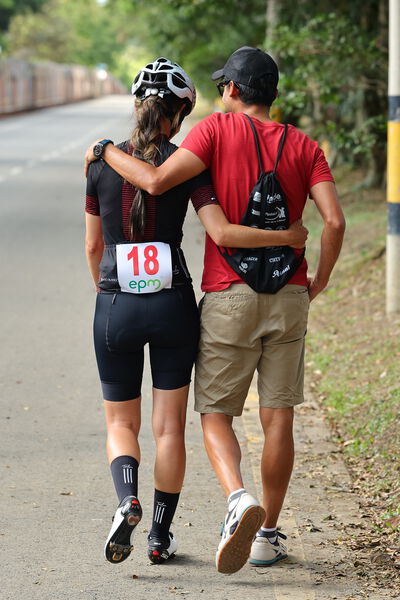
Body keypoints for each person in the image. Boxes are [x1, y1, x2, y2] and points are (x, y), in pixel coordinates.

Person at [85, 46, 343, 575]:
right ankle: (234, 534)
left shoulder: (208, 136)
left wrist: (104, 150)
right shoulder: (301, 145)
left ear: (231, 91)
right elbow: (332, 223)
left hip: (195, 296)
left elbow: (136, 203)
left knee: (190, 416)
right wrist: (309, 266)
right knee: (262, 421)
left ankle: (202, 500)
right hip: (263, 295)